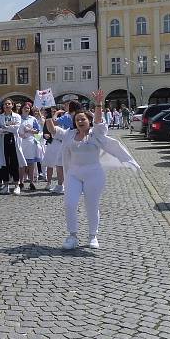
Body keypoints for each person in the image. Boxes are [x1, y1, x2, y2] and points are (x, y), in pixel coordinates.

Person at [46, 90, 139, 250]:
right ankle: (72, 236)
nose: (80, 121)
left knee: (92, 205)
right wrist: (47, 114)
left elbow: (98, 120)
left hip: (94, 175)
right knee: (70, 203)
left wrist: (98, 104)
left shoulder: (96, 133)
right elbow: (53, 130)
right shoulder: (69, 134)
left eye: (83, 119)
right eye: (77, 120)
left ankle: (92, 236)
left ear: (89, 121)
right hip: (74, 174)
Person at [0, 99, 25, 195]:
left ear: (12, 105)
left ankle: (16, 185)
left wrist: (5, 127)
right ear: (3, 106)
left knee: (15, 162)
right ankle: (6, 185)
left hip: (14, 140)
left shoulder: (17, 116)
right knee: (4, 162)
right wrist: (9, 128)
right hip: (4, 140)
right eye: (5, 104)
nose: (7, 105)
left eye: (9, 104)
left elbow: (17, 128)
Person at [50, 100, 81, 194]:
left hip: (68, 138)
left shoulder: (68, 116)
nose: (64, 106)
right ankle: (78, 185)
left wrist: (56, 113)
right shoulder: (82, 114)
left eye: (66, 105)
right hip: (79, 138)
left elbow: (54, 122)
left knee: (60, 163)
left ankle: (61, 185)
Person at [18, 103, 42, 191]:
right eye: (25, 108)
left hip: (30, 142)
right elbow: (15, 130)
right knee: (21, 163)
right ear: (22, 109)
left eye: (28, 108)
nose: (26, 109)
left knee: (31, 163)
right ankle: (21, 182)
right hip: (20, 142)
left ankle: (31, 182)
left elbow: (37, 131)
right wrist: (20, 134)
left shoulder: (33, 119)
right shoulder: (18, 118)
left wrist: (30, 130)